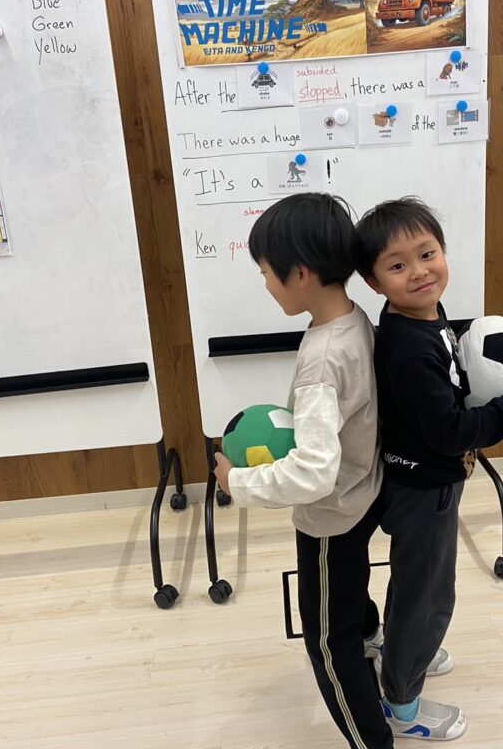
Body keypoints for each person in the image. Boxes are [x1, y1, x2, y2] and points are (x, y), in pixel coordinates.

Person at [355, 197, 503, 741]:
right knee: (428, 597)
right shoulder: (409, 350)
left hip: (425, 481)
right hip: (424, 489)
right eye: (398, 266)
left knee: (416, 585)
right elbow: (452, 433)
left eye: (428, 254)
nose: (420, 272)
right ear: (374, 282)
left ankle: (404, 653)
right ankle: (402, 703)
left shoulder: (423, 317)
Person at [214, 192, 392, 749]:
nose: (266, 285)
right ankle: (374, 639)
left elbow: (313, 473)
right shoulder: (354, 322)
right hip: (364, 494)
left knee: (327, 644)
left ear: (301, 273)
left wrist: (237, 482)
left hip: (329, 517)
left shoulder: (322, 359)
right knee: (350, 591)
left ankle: (373, 741)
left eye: (267, 273)